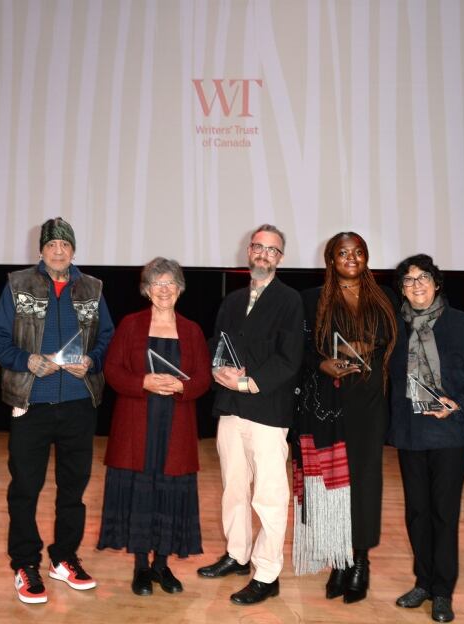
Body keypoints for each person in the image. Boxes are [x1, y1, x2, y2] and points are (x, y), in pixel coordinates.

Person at [0, 217, 113, 604]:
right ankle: (25, 563)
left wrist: (91, 362)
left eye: (65, 245)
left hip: (78, 404)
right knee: (25, 488)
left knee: (73, 490)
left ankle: (64, 558)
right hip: (31, 403)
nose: (59, 251)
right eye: (51, 245)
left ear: (74, 250)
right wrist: (28, 361)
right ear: (41, 250)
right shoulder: (17, 284)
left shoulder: (92, 288)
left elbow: (106, 336)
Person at [197, 224, 304, 605]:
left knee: (270, 496)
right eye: (258, 247)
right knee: (234, 490)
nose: (263, 254)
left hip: (267, 412)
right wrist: (216, 370)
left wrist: (246, 383)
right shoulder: (232, 300)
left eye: (272, 250)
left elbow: (290, 359)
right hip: (230, 410)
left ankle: (267, 572)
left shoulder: (290, 301)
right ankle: (237, 554)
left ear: (281, 257)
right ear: (248, 251)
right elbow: (217, 346)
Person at [291, 232, 398, 604]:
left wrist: (370, 346)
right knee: (333, 482)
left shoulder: (386, 298)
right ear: (330, 259)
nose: (351, 258)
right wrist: (322, 363)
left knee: (366, 481)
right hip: (326, 400)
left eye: (358, 252)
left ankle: (360, 561)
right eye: (342, 253)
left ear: (366, 257)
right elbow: (298, 349)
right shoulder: (310, 300)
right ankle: (339, 557)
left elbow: (393, 343)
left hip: (368, 402)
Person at [389, 254, 464, 623]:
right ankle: (422, 582)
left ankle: (442, 592)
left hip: (449, 432)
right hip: (410, 431)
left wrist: (459, 403)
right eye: (408, 279)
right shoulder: (394, 327)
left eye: (424, 278)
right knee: (416, 512)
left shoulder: (460, 323)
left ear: (436, 283)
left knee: (443, 513)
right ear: (401, 288)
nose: (416, 285)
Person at [99, 257, 212, 596]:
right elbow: (113, 371)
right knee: (139, 493)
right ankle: (140, 568)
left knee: (169, 492)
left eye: (170, 283)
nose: (164, 289)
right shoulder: (130, 325)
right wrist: (143, 383)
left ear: (180, 289)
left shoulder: (191, 330)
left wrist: (182, 387)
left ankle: (162, 565)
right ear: (146, 289)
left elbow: (204, 378)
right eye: (157, 283)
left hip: (175, 428)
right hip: (136, 426)